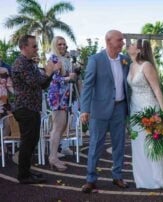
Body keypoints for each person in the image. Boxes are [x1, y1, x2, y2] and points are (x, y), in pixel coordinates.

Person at [80, 30, 130, 193]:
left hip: (120, 108)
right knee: (95, 145)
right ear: (109, 41)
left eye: (122, 40)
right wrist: (85, 109)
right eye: (120, 40)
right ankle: (91, 179)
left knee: (119, 145)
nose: (122, 43)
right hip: (99, 109)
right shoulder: (95, 59)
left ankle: (117, 176)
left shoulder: (125, 60)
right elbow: (88, 85)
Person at [127, 39, 163, 190]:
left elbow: (157, 90)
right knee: (138, 145)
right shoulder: (130, 65)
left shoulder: (147, 66)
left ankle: (158, 178)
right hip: (135, 110)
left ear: (138, 50)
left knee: (152, 145)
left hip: (149, 109)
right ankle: (143, 179)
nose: (128, 45)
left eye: (131, 44)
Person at [12, 34, 60, 184]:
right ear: (24, 47)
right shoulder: (21, 63)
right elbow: (34, 82)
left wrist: (49, 74)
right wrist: (48, 71)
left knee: (32, 140)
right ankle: (23, 175)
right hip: (25, 108)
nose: (37, 49)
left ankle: (26, 172)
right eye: (34, 46)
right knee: (28, 141)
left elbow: (43, 84)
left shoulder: (29, 63)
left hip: (31, 108)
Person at [47, 36, 76, 171]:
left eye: (64, 44)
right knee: (57, 127)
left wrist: (72, 76)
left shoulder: (65, 59)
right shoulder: (53, 58)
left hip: (64, 95)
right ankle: (52, 157)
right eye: (59, 44)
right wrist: (68, 78)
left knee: (62, 126)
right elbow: (52, 78)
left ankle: (54, 154)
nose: (63, 46)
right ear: (54, 45)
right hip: (57, 95)